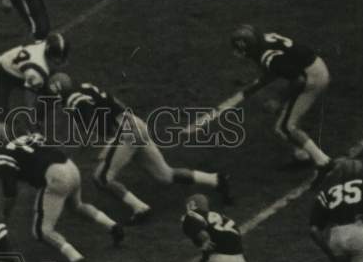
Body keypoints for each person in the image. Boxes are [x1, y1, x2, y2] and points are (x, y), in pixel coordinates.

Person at [50, 73, 232, 223]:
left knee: (101, 177)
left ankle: (140, 208)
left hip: (125, 132)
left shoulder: (74, 100)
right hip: (134, 124)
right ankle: (216, 180)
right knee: (165, 175)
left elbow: (89, 123)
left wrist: (98, 143)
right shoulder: (85, 87)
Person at [0, 132, 123, 262]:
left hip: (56, 176)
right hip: (71, 167)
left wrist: (5, 214)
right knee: (77, 205)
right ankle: (113, 226)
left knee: (41, 231)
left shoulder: (1, 156)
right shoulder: (28, 137)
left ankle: (75, 257)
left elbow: (11, 191)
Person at [230, 25, 331, 171]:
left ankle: (325, 163)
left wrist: (278, 100)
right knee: (284, 122)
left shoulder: (267, 56)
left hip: (313, 78)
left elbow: (298, 80)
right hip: (313, 65)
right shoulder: (264, 39)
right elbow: (281, 63)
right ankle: (302, 155)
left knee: (286, 127)